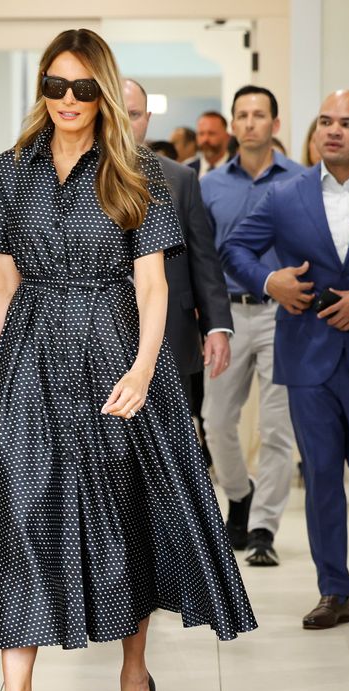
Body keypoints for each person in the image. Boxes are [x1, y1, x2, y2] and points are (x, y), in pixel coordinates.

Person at [0, 28, 257, 691]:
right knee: (15, 517)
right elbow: (1, 288)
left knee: (126, 516)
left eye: (83, 88)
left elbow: (154, 287)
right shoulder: (9, 172)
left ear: (104, 92)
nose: (67, 101)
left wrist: (143, 368)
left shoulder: (139, 174)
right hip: (30, 352)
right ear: (42, 90)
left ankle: (133, 675)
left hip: (116, 352)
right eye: (55, 86)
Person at [222, 90, 349, 629]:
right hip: (307, 357)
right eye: (327, 122)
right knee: (324, 480)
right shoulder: (287, 195)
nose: (335, 131)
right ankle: (334, 590)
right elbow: (234, 249)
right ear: (314, 133)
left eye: (348, 123)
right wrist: (270, 281)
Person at [199, 86, 305, 566]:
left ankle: (262, 528)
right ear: (233, 125)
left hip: (287, 316)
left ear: (274, 125)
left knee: (277, 428)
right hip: (228, 315)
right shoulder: (211, 185)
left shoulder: (301, 182)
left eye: (259, 115)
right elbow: (202, 254)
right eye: (241, 115)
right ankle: (240, 494)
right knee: (217, 422)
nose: (249, 123)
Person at [121, 78, 232, 449]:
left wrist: (216, 326)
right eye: (118, 113)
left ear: (147, 119)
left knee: (172, 449)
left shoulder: (179, 178)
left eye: (134, 114)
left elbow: (203, 258)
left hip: (172, 330)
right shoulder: (82, 175)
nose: (125, 122)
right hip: (103, 333)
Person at [187, 111, 230, 175]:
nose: (205, 139)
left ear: (226, 137)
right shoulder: (187, 170)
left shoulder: (239, 170)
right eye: (201, 134)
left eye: (211, 133)